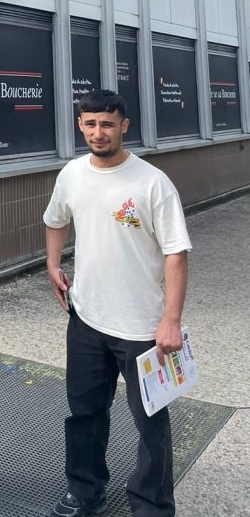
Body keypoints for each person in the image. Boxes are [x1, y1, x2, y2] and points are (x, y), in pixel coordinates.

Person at [43, 89, 191, 517]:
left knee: (151, 425)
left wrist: (171, 320)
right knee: (85, 414)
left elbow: (176, 253)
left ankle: (151, 505)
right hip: (86, 319)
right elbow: (55, 220)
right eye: (90, 124)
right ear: (80, 126)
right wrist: (53, 264)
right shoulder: (71, 174)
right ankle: (85, 493)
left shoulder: (151, 182)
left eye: (107, 124)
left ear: (124, 126)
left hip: (144, 328)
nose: (98, 132)